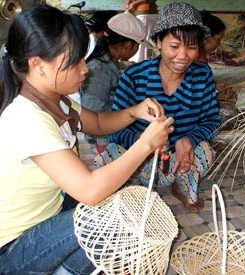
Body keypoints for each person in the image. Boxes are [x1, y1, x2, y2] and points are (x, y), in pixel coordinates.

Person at [0, 5, 174, 274]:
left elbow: (99, 123)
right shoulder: (26, 117)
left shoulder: (55, 102)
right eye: (75, 61)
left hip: (49, 214)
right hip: (12, 248)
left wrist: (135, 111)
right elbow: (89, 190)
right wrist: (146, 144)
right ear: (38, 64)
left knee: (114, 211)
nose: (85, 70)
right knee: (102, 222)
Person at [109, 2, 221, 213]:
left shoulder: (202, 74)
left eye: (191, 47)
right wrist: (146, 144)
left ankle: (181, 183)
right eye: (175, 46)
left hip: (182, 156)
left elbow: (212, 120)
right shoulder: (134, 77)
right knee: (113, 154)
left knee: (205, 151)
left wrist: (188, 139)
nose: (183, 56)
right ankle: (141, 190)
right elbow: (115, 130)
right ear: (159, 42)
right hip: (143, 155)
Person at [81, 12, 149, 154]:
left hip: (112, 131)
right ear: (128, 45)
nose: (137, 50)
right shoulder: (98, 69)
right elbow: (94, 111)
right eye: (137, 46)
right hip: (105, 138)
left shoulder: (111, 63)